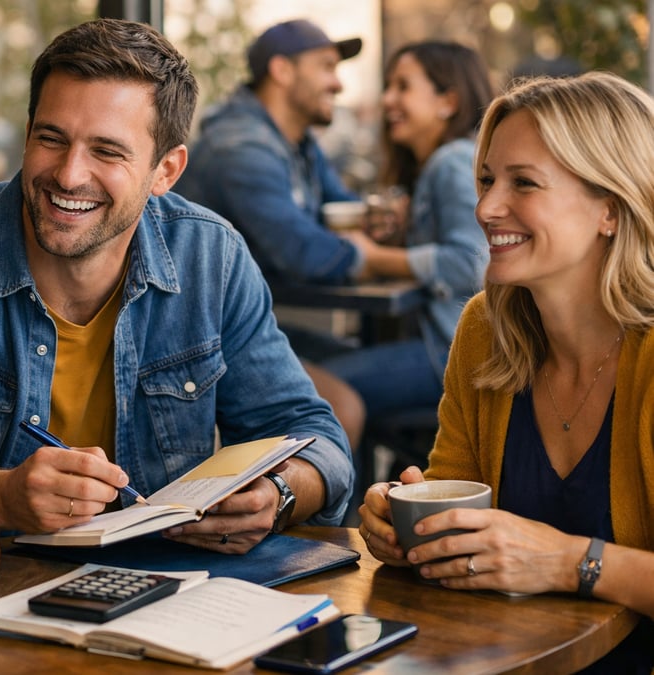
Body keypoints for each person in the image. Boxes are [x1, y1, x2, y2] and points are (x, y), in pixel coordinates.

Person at [0, 18, 353, 559]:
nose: (68, 174)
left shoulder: (212, 258)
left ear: (166, 171)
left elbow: (313, 438)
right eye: (51, 138)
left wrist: (276, 496)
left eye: (106, 151)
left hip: (159, 600)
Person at [359, 72, 654, 672]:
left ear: (610, 208)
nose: (487, 208)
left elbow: (551, 560)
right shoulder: (486, 330)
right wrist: (402, 522)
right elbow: (452, 498)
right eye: (488, 180)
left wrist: (570, 561)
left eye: (524, 183)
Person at [174, 18, 368, 444]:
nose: (337, 84)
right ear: (282, 70)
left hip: (247, 321)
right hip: (195, 335)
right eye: (326, 66)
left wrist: (370, 225)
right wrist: (380, 254)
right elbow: (306, 251)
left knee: (358, 361)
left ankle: (363, 502)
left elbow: (344, 212)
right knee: (345, 405)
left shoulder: (297, 143)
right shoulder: (242, 148)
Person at [314, 41, 492, 450]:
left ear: (448, 101)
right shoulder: (445, 163)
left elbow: (469, 262)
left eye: (403, 87)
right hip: (441, 345)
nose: (387, 98)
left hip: (450, 353)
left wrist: (376, 258)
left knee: (323, 393)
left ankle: (340, 507)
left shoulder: (450, 162)